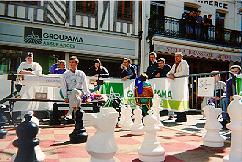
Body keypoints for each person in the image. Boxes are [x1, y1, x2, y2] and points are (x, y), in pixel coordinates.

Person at [167, 52, 189, 122]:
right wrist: (170, 75)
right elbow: (168, 73)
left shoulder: (184, 63)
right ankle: (179, 116)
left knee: (181, 99)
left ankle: (183, 117)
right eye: (175, 56)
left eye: (178, 56)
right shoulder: (174, 65)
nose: (176, 58)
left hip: (182, 84)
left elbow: (183, 72)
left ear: (181, 57)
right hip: (176, 85)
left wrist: (174, 75)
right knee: (177, 99)